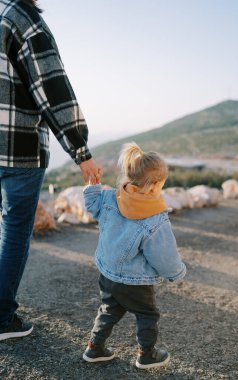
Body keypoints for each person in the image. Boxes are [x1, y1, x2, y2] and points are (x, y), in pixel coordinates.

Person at [0, 0, 101, 341]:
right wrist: (81, 151)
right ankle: (1, 318)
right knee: (13, 230)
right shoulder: (23, 19)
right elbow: (53, 89)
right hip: (18, 150)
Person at [82, 142, 186, 370]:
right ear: (155, 185)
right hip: (135, 282)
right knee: (147, 314)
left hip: (107, 273)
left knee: (108, 310)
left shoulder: (110, 198)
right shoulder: (155, 219)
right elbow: (164, 257)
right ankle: (147, 355)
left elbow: (91, 204)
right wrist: (177, 273)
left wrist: (93, 186)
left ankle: (94, 347)